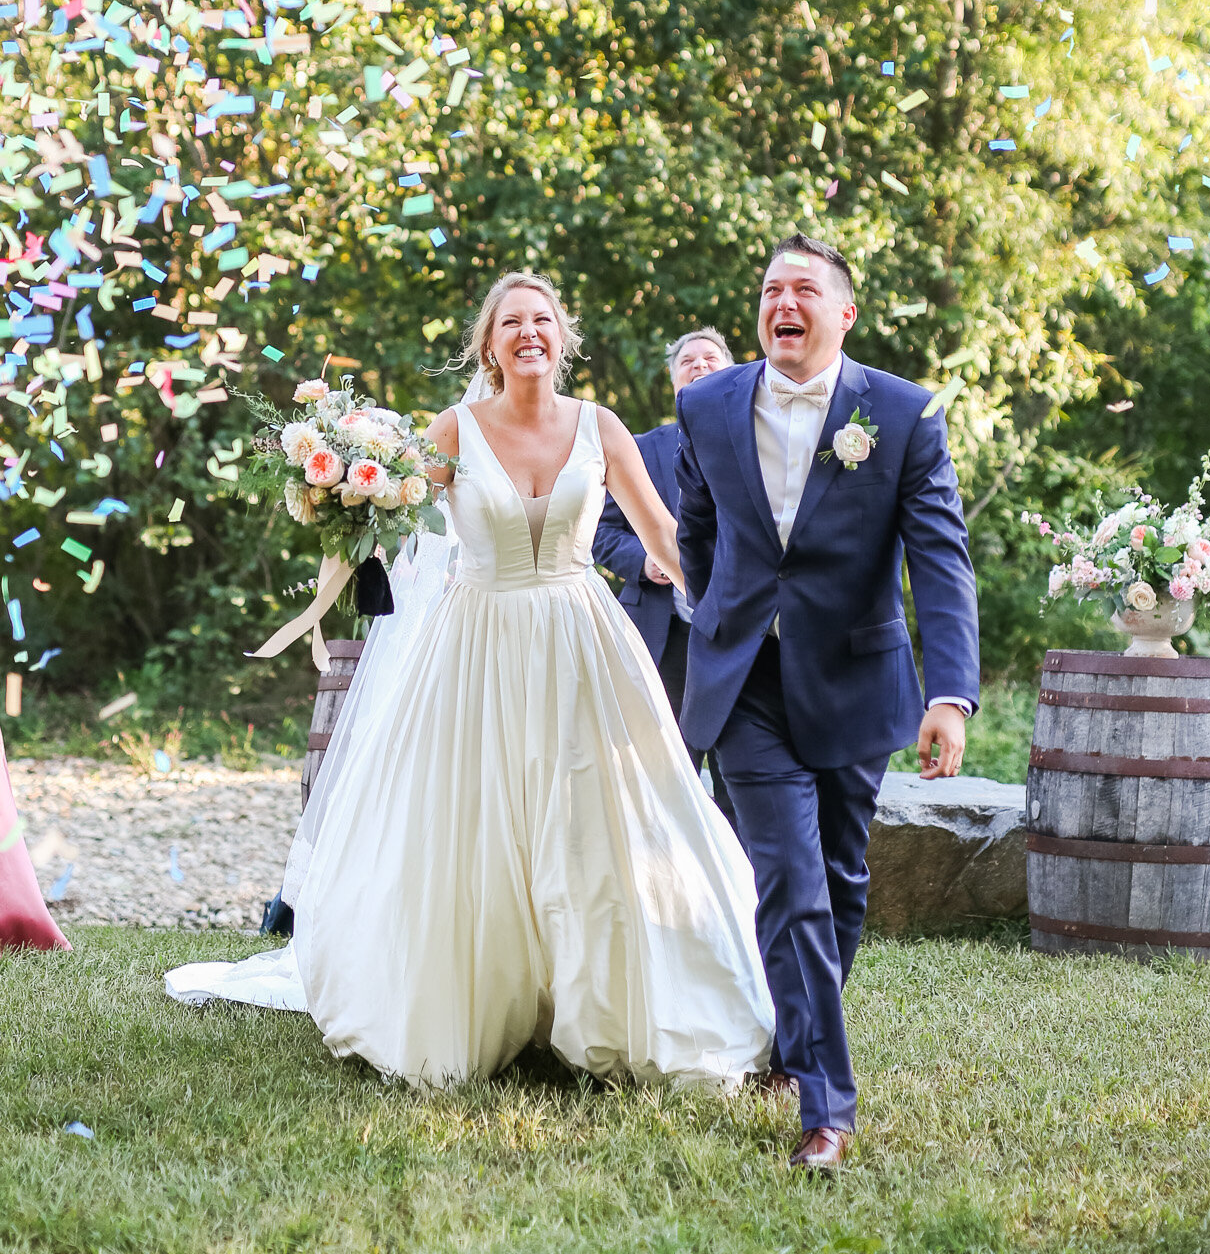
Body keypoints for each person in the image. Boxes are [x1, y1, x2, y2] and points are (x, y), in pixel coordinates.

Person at [172, 271, 773, 1092]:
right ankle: (476, 1003)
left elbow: (664, 542)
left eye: (542, 320)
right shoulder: (453, 428)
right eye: (511, 323)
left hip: (580, 642)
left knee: (597, 822)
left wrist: (740, 610)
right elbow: (400, 523)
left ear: (563, 338)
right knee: (473, 821)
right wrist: (352, 494)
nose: (529, 333)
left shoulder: (602, 428)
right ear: (488, 346)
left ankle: (601, 1004)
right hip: (476, 643)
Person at [675, 233, 979, 1171]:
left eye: (803, 289)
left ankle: (789, 1046)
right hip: (745, 687)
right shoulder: (707, 405)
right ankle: (827, 1108)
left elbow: (939, 561)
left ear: (843, 315)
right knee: (790, 884)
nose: (783, 303)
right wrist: (726, 620)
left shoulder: (900, 415)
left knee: (842, 881)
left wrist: (951, 696)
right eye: (770, 289)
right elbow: (696, 530)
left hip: (853, 678)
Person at [593, 327, 736, 826]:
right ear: (674, 381)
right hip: (663, 635)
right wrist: (644, 562)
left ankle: (744, 889)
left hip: (741, 638)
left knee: (739, 775)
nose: (698, 366)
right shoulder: (639, 449)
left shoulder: (759, 443)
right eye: (687, 361)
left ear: (733, 372)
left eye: (710, 359)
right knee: (660, 771)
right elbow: (602, 531)